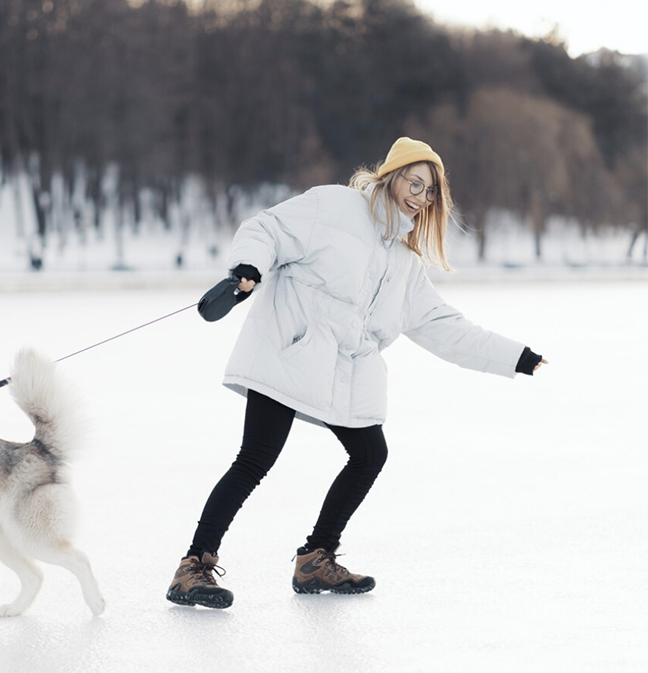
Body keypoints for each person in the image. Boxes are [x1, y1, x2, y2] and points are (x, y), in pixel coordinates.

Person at [166, 137, 548, 609]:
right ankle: (193, 567)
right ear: (391, 175)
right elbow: (266, 229)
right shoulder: (333, 205)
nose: (420, 196)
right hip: (290, 349)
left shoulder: (406, 262)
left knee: (369, 454)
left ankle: (315, 559)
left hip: (345, 370)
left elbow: (446, 327)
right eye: (415, 182)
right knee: (256, 459)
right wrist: (248, 266)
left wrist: (516, 357)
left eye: (429, 192)